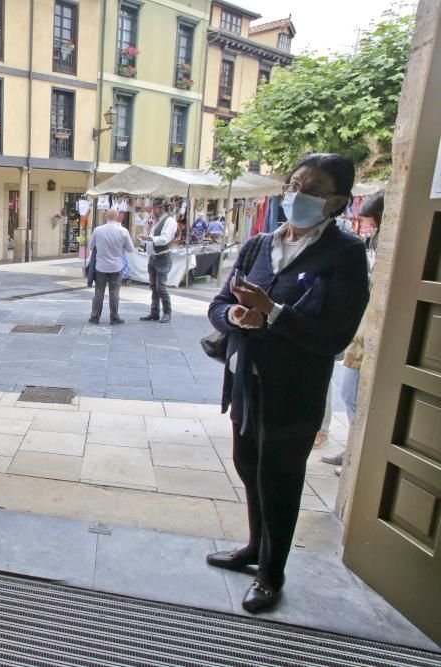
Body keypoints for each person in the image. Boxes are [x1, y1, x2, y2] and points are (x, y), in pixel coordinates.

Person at [205, 153, 369, 613]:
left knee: (280, 478)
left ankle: (272, 574)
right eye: (294, 184)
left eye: (312, 189)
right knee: (247, 465)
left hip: (292, 391)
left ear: (336, 201)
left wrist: (274, 312)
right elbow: (219, 304)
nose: (297, 195)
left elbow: (334, 336)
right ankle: (256, 548)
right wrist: (235, 314)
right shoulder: (259, 244)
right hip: (245, 383)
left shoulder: (345, 254)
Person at [323, 191, 384, 474]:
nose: (372, 229)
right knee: (350, 392)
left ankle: (357, 455)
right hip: (361, 337)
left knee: (353, 394)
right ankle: (353, 449)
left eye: (373, 223)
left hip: (367, 336)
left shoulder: (351, 249)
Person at [88, 209, 134, 325]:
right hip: (116, 266)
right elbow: (130, 249)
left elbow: (91, 246)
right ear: (117, 217)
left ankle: (95, 317)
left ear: (106, 217)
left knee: (99, 292)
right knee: (114, 293)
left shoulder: (98, 230)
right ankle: (114, 317)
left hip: (101, 266)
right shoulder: (123, 231)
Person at [138, 199, 179, 323]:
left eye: (155, 208)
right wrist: (144, 243)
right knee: (153, 286)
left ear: (162, 208)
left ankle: (167, 312)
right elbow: (154, 239)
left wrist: (149, 238)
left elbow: (165, 239)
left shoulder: (170, 221)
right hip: (153, 258)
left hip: (163, 258)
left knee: (161, 287)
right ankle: (154, 312)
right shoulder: (157, 221)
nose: (153, 211)